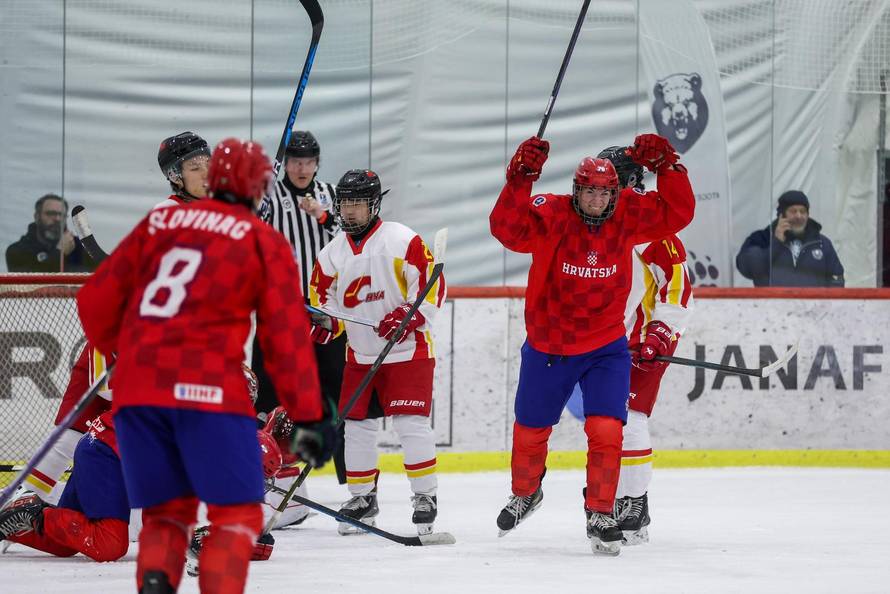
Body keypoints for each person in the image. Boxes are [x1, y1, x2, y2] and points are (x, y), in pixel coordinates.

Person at [75, 138, 336, 594]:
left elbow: (94, 302)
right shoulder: (260, 240)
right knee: (236, 502)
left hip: (144, 390)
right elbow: (285, 344)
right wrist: (311, 416)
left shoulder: (162, 221)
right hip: (206, 387)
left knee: (166, 511)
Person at [489, 134, 694, 556]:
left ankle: (604, 510)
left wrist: (669, 167)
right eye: (590, 191)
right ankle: (526, 492)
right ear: (576, 190)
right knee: (530, 430)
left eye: (607, 191)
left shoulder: (631, 214)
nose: (598, 200)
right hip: (550, 345)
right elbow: (507, 229)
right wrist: (519, 179)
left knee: (610, 428)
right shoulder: (552, 213)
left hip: (607, 346)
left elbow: (679, 213)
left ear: (618, 191)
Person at [308, 169, 446, 537]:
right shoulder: (331, 255)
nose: (350, 211)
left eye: (357, 203)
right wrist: (324, 325)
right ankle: (362, 499)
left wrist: (406, 316)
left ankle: (425, 496)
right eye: (345, 204)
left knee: (410, 423)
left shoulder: (402, 239)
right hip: (360, 355)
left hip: (408, 352)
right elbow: (323, 302)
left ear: (374, 205)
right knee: (357, 428)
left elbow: (432, 286)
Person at [597, 146, 694, 546]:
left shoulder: (653, 227)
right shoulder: (594, 223)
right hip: (602, 343)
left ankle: (633, 501)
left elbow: (678, 287)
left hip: (643, 344)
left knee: (630, 417)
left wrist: (659, 333)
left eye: (610, 181)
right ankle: (619, 495)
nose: (601, 189)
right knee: (606, 421)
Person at [253, 130, 348, 484]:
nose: (302, 169)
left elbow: (354, 237)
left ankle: (352, 478)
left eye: (308, 162)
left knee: (337, 388)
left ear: (317, 164)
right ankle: (264, 469)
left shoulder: (331, 195)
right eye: (295, 162)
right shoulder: (269, 196)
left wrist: (323, 217)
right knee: (268, 388)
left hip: (325, 308)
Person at [0, 410, 130, 562]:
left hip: (102, 444)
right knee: (108, 544)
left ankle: (17, 514)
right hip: (106, 449)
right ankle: (31, 510)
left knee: (63, 541)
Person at [735, 190, 844, 287]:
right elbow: (747, 268)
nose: (799, 216)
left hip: (814, 304)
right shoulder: (762, 238)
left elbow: (837, 278)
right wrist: (776, 243)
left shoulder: (821, 242)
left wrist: (825, 302)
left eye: (803, 211)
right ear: (781, 215)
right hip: (773, 303)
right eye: (793, 211)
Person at [5, 194, 97, 272]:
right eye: (50, 213)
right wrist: (60, 253)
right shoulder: (17, 250)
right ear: (37, 216)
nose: (57, 219)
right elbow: (30, 281)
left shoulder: (80, 247)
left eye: (61, 215)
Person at [154, 131, 211, 209]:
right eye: (195, 168)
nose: (207, 173)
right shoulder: (166, 212)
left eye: (209, 165)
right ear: (175, 176)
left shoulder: (223, 205)